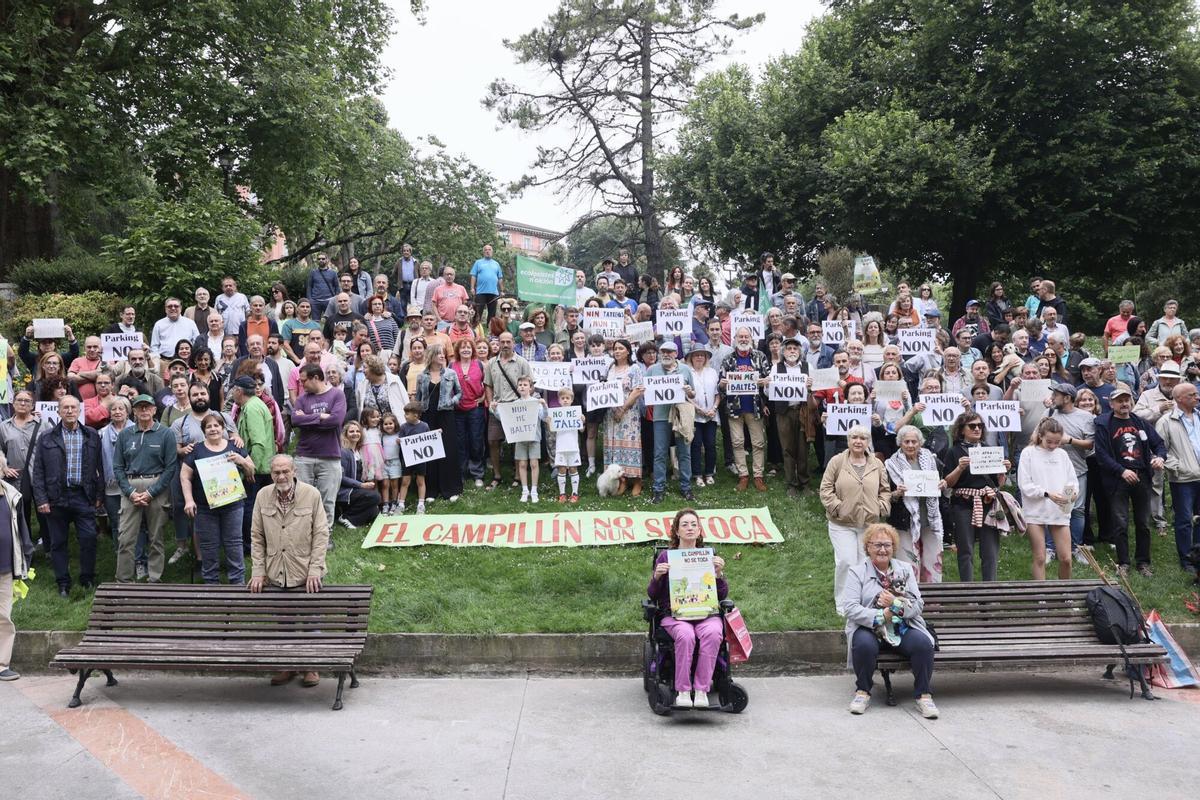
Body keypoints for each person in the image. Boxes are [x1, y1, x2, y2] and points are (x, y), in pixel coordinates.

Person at [841, 523, 939, 719]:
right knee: (864, 645)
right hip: (870, 628)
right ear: (867, 547)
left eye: (887, 545)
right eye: (877, 545)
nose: (882, 549)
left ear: (893, 547)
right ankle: (863, 692)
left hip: (902, 627)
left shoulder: (905, 570)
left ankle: (923, 695)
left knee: (923, 644)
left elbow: (918, 604)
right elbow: (850, 607)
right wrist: (880, 616)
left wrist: (895, 604)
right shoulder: (856, 572)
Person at [248, 454, 329, 687]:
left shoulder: (311, 494)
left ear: (294, 471)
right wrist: (258, 571)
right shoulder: (263, 495)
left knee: (312, 624)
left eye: (285, 471)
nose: (281, 476)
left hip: (306, 572)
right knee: (284, 624)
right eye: (276, 472)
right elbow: (257, 536)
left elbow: (321, 533)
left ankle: (311, 667)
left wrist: (315, 570)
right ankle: (288, 665)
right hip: (277, 572)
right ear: (271, 474)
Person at [646, 508, 728, 709]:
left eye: (694, 524)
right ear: (676, 531)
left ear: (700, 530)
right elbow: (653, 595)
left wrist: (719, 576)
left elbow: (722, 595)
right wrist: (657, 577)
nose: (690, 528)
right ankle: (683, 690)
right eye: (685, 524)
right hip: (675, 614)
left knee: (714, 631)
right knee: (685, 635)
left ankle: (701, 690)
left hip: (704, 613)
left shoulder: (708, 557)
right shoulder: (666, 557)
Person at [31, 395, 103, 597]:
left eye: (73, 407)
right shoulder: (47, 437)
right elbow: (38, 472)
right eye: (66, 408)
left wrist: (99, 494)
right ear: (59, 411)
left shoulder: (91, 435)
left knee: (89, 538)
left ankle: (87, 578)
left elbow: (100, 466)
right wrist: (42, 499)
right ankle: (63, 582)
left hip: (83, 495)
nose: (70, 411)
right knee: (58, 542)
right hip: (56, 497)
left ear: (79, 411)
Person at [1095, 382, 1167, 578]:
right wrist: (1121, 471)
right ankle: (1123, 562)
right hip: (1118, 479)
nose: (1124, 404)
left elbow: (1159, 444)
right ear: (1112, 404)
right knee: (1120, 522)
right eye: (1120, 401)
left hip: (1142, 477)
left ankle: (1143, 562)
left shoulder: (1140, 423)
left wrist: (1160, 457)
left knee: (1143, 522)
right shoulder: (1103, 424)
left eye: (1127, 400)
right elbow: (1101, 455)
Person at [820, 426, 891, 612]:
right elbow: (826, 489)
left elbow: (885, 490)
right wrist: (837, 507)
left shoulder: (876, 463)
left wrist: (881, 507)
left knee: (864, 564)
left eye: (862, 438)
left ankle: (861, 601)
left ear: (868, 442)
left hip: (869, 524)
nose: (858, 441)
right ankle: (843, 604)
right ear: (848, 440)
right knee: (846, 561)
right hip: (841, 523)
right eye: (854, 438)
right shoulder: (837, 461)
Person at [180, 412, 256, 584]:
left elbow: (252, 470)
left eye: (216, 425)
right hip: (205, 508)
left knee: (234, 543)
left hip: (233, 505)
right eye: (209, 426)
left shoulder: (234, 446)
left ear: (223, 428)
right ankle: (211, 583)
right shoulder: (196, 450)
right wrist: (189, 500)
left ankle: (237, 581)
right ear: (204, 431)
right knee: (208, 545)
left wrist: (241, 461)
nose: (213, 429)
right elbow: (185, 476)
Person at [112, 394, 176, 583]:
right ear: (135, 411)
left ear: (155, 410)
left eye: (148, 407)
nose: (144, 410)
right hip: (130, 486)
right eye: (140, 407)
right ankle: (123, 579)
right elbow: (117, 466)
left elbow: (170, 467)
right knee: (125, 537)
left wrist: (151, 492)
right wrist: (130, 492)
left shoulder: (165, 433)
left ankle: (155, 578)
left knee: (156, 536)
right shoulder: (125, 434)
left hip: (156, 486)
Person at [943, 412, 1009, 582]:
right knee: (965, 550)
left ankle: (990, 592)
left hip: (988, 503)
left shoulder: (989, 450)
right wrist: (959, 468)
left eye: (980, 426)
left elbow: (998, 484)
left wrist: (1004, 471)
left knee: (990, 551)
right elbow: (948, 483)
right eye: (972, 426)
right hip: (963, 503)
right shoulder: (954, 451)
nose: (977, 429)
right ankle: (969, 592)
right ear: (961, 430)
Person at [1018, 418, 1079, 580]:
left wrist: (1072, 494)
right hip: (1035, 509)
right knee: (1040, 557)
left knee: (1066, 558)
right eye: (1049, 442)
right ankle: (1041, 598)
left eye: (1057, 442)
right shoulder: (1028, 453)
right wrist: (1047, 493)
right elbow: (1025, 485)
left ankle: (1065, 593)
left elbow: (1072, 481)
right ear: (1040, 436)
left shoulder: (1062, 455)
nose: (1053, 446)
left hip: (1059, 510)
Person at [884, 426, 945, 583]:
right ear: (900, 443)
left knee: (933, 562)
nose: (910, 445)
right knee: (908, 564)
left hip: (930, 519)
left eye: (914, 441)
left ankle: (933, 603)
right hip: (904, 521)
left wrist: (943, 484)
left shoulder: (932, 460)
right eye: (906, 442)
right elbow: (884, 497)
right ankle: (910, 602)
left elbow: (942, 486)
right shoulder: (890, 465)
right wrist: (896, 493)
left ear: (920, 443)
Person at [292, 364, 347, 529]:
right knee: (301, 497)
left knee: (327, 498)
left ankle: (325, 531)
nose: (302, 385)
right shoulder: (302, 398)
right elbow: (295, 421)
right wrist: (321, 417)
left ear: (315, 377)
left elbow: (335, 421)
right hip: (304, 456)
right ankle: (305, 532)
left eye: (304, 381)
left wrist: (308, 418)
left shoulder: (337, 395)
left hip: (330, 455)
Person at [1045, 383, 1096, 560]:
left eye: (1056, 395)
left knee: (1076, 510)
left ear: (1067, 398)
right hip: (1052, 470)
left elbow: (1090, 444)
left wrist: (1070, 440)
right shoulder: (1050, 414)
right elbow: (1038, 437)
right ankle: (1050, 548)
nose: (1052, 398)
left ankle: (1075, 547)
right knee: (1053, 508)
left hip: (1077, 470)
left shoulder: (1085, 417)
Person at [645, 340, 697, 504]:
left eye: (669, 352)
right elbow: (644, 389)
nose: (666, 355)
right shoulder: (653, 370)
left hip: (680, 415)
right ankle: (658, 488)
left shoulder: (685, 369)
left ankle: (686, 486)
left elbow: (693, 394)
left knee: (684, 452)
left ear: (676, 354)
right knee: (659, 453)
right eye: (663, 352)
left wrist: (689, 391)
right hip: (660, 416)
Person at [1156, 382, 1200, 574]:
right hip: (1183, 479)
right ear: (1180, 399)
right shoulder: (1166, 421)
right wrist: (1178, 467)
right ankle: (1186, 560)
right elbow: (1159, 450)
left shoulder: (1199, 416)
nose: (1197, 397)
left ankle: (1198, 555)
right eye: (1192, 395)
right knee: (1183, 520)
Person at [720, 327, 771, 492]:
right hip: (734, 408)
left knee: (758, 442)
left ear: (751, 338)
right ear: (735, 338)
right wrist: (723, 384)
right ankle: (743, 475)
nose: (743, 339)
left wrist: (765, 382)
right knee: (737, 442)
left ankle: (758, 475)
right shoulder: (728, 359)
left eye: (746, 336)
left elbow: (769, 378)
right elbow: (720, 384)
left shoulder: (759, 356)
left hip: (754, 407)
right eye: (740, 336)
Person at [483, 332, 532, 489]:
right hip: (498, 408)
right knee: (493, 441)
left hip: (516, 407)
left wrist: (524, 401)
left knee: (517, 442)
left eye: (508, 342)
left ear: (513, 343)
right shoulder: (491, 363)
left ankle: (517, 475)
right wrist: (490, 404)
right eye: (502, 342)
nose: (505, 345)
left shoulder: (522, 362)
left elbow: (530, 384)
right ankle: (497, 475)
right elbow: (488, 385)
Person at [415, 344, 463, 502]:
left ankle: (451, 489)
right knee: (431, 452)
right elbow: (419, 397)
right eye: (439, 354)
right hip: (429, 416)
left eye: (443, 354)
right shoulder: (422, 376)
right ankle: (431, 491)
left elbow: (460, 392)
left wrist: (452, 401)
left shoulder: (451, 373)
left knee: (448, 450)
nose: (443, 356)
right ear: (432, 356)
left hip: (446, 415)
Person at [0, 452, 33, 680]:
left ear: (3, 470)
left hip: (5, 568)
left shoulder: (12, 495)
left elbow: (22, 531)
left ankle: (2, 664)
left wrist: (25, 558)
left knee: (3, 617)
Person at [602, 338, 646, 496]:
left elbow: (638, 390)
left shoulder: (634, 368)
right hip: (611, 414)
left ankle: (637, 481)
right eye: (615, 349)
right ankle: (621, 480)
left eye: (621, 348)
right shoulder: (610, 367)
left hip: (629, 414)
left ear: (628, 351)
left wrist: (623, 409)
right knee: (616, 446)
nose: (617, 351)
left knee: (630, 445)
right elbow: (604, 386)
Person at [450, 339, 487, 488]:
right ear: (458, 350)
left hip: (475, 408)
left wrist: (483, 399)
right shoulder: (452, 366)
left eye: (469, 348)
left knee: (476, 440)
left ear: (473, 350)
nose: (466, 350)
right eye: (463, 348)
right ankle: (462, 472)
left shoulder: (479, 365)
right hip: (457, 409)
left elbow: (487, 385)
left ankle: (477, 473)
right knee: (460, 442)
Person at [337, 420, 383, 526]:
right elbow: (341, 477)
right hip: (344, 491)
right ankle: (346, 517)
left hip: (356, 489)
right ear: (345, 434)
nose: (355, 433)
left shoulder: (357, 451)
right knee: (375, 497)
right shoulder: (344, 452)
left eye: (358, 431)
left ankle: (351, 518)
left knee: (374, 511)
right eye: (351, 431)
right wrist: (361, 485)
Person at [686, 347, 719, 489]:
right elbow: (686, 396)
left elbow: (718, 393)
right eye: (696, 355)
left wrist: (714, 408)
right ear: (691, 358)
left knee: (711, 444)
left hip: (711, 414)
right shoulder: (688, 372)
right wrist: (699, 409)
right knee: (696, 444)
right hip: (695, 415)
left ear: (706, 358)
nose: (699, 358)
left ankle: (709, 473)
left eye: (702, 355)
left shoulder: (712, 372)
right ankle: (697, 474)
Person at [469, 243, 504, 324]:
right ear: (483, 252)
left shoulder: (496, 264)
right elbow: (473, 276)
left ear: (492, 252)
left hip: (493, 292)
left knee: (492, 314)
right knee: (478, 312)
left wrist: (502, 290)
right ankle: (475, 329)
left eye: (489, 250)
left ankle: (491, 331)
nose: (487, 251)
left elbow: (500, 278)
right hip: (480, 292)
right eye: (485, 250)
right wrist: (472, 288)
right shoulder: (478, 262)